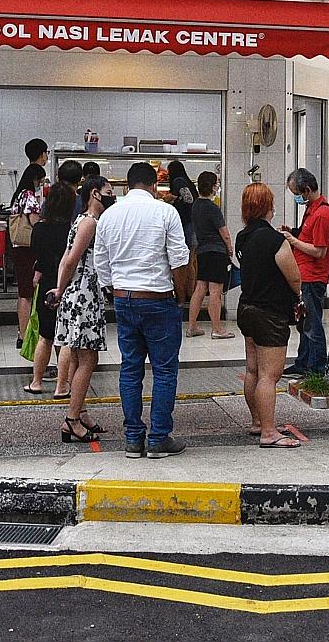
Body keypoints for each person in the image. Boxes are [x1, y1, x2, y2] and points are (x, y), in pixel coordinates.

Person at [93, 160, 190, 459]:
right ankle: (159, 438)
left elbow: (101, 261)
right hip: (158, 298)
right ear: (152, 185)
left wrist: (114, 289)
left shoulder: (110, 215)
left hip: (124, 299)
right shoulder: (165, 212)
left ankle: (133, 438)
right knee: (163, 370)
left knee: (130, 368)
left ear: (128, 185)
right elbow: (180, 260)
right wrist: (181, 297)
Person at [235, 182, 303, 449]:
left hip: (247, 308)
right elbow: (294, 277)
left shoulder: (243, 237)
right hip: (270, 314)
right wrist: (298, 295)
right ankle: (269, 432)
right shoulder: (276, 240)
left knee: (253, 369)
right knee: (269, 376)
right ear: (267, 207)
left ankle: (257, 422)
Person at [48, 177, 115, 442]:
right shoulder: (90, 222)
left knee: (77, 357)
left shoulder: (80, 220)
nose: (113, 196)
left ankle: (81, 411)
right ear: (95, 193)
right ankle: (72, 419)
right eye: (109, 192)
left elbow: (66, 258)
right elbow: (72, 259)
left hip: (77, 293)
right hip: (84, 294)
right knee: (89, 359)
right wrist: (60, 289)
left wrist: (59, 289)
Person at [282, 168, 329, 377]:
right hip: (304, 275)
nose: (296, 197)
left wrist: (293, 241)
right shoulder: (311, 209)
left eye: (296, 192)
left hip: (313, 277)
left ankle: (318, 367)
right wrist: (294, 232)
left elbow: (319, 251)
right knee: (304, 324)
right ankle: (303, 362)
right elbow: (308, 236)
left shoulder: (322, 214)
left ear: (306, 189)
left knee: (312, 325)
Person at [26, 181, 75, 395]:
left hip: (46, 285)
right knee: (65, 338)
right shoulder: (74, 229)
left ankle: (36, 382)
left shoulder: (39, 229)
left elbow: (36, 255)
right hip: (67, 285)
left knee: (45, 336)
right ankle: (62, 385)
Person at [186, 171, 235, 340]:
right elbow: (224, 233)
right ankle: (217, 329)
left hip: (202, 251)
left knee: (200, 289)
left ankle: (192, 326)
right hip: (216, 252)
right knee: (215, 291)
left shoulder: (196, 206)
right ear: (213, 186)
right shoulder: (213, 208)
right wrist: (229, 248)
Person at [8, 162, 48, 347]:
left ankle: (21, 332)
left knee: (22, 293)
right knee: (27, 294)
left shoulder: (18, 196)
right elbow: (35, 223)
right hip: (27, 248)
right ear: (34, 179)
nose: (41, 184)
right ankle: (24, 336)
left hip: (17, 247)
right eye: (40, 180)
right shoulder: (29, 196)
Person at [167, 160, 200, 305]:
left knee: (187, 260)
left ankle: (188, 293)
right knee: (191, 260)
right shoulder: (185, 180)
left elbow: (188, 199)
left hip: (187, 224)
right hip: (192, 223)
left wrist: (173, 199)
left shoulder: (178, 180)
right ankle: (190, 293)